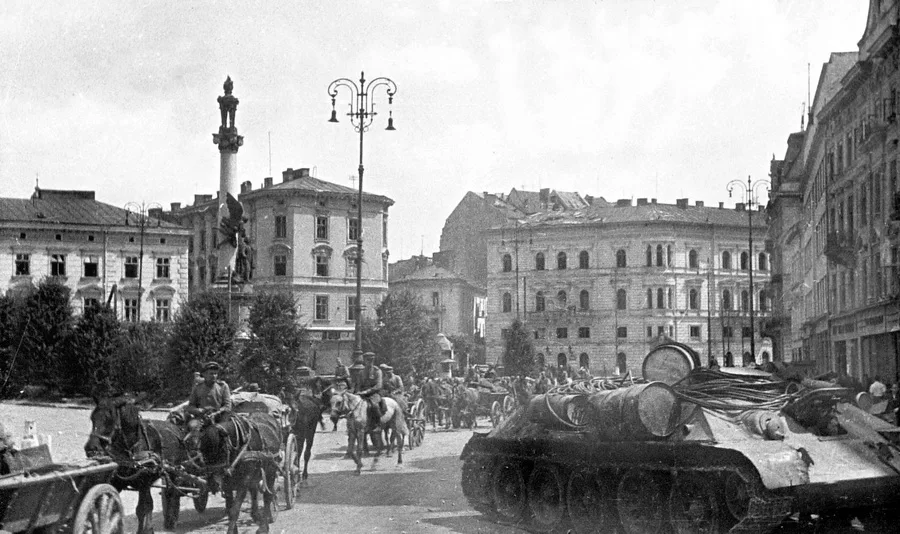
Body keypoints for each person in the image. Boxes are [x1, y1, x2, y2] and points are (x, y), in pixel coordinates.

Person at [352, 352, 384, 424]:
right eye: (368, 360)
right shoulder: (361, 372)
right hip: (362, 394)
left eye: (371, 360)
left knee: (375, 406)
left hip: (374, 393)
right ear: (364, 360)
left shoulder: (377, 371)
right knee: (351, 405)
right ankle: (351, 426)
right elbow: (358, 384)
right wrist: (357, 392)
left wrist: (367, 391)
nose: (370, 362)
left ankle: (377, 424)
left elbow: (378, 385)